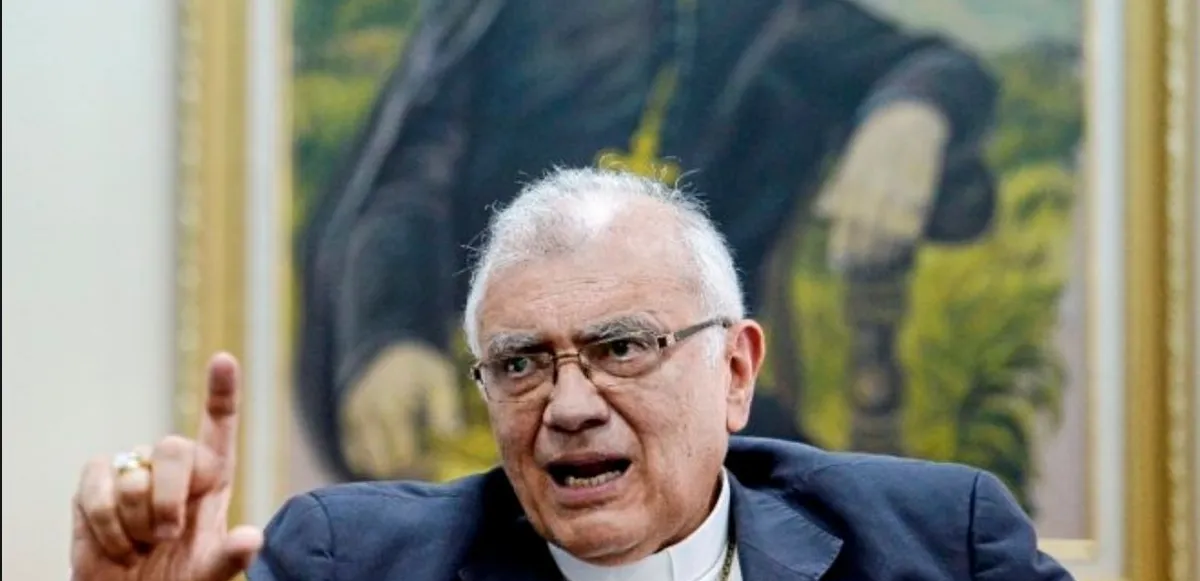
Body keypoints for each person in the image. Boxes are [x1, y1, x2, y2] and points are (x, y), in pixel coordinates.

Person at [16, 168, 1195, 581]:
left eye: (623, 347)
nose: (569, 406)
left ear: (736, 371)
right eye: (520, 364)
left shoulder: (936, 548)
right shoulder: (353, 578)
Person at [294, 0, 1000, 481]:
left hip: (690, 402)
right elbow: (410, 175)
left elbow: (927, 65)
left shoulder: (767, 15)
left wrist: (911, 115)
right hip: (498, 391)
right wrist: (388, 335)